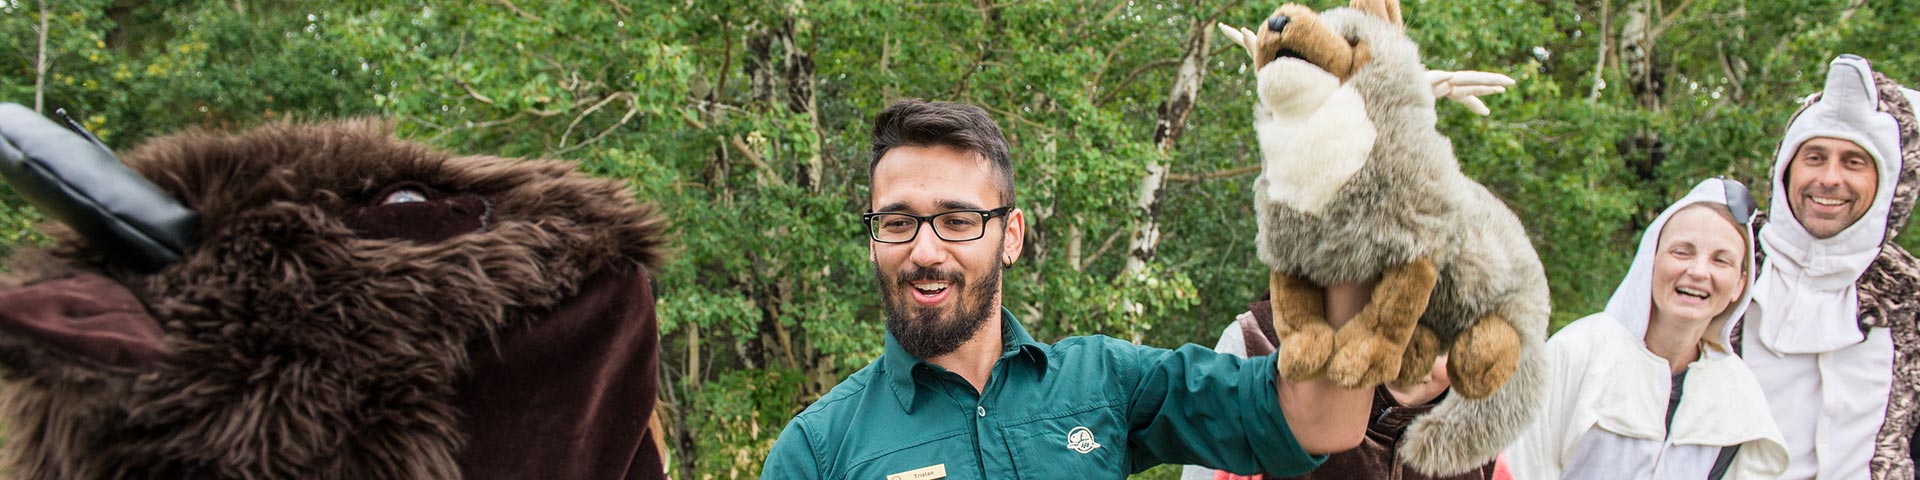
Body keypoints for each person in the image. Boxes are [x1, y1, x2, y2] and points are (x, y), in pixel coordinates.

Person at [757, 99, 1387, 479]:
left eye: (957, 220)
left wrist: (1350, 180)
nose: (924, 251)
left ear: (1011, 236)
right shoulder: (818, 452)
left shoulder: (1102, 384)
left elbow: (1322, 420)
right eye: (897, 222)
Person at [1505, 178, 1789, 479]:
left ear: (1740, 285)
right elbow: (1519, 468)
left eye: (1721, 260)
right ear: (1651, 259)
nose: (1698, 272)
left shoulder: (1738, 394)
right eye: (1682, 252)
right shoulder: (1577, 353)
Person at [1736, 54, 1920, 480]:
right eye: (1814, 157)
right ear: (1785, 170)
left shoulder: (1908, 294)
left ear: (1888, 182)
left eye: (1853, 162)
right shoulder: (1732, 264)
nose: (1830, 178)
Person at [1180, 300, 1497, 480]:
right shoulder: (1258, 347)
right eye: (1409, 330)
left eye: (1442, 346)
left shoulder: (1483, 428)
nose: (1417, 361)